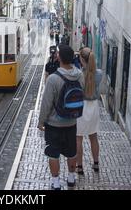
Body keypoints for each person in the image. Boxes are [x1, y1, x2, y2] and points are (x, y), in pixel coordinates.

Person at [38, 45, 85, 190]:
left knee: (53, 154)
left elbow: (46, 103)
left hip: (54, 124)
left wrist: (41, 122)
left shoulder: (53, 79)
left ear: (59, 58)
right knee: (72, 152)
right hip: (71, 122)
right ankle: (71, 178)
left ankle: (56, 181)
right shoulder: (80, 75)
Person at [76, 48, 103, 175]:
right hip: (93, 108)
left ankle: (80, 167)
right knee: (93, 137)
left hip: (81, 107)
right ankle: (96, 163)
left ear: (82, 60)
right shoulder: (99, 74)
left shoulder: (79, 74)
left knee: (78, 138)